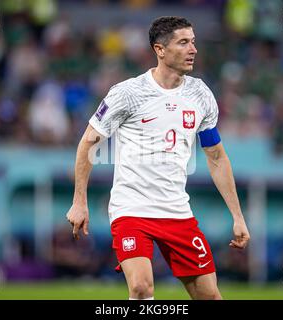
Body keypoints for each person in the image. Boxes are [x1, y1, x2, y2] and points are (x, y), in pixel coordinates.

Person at [66, 16, 250, 300]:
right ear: (160, 50)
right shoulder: (128, 93)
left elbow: (216, 157)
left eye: (194, 42)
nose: (193, 49)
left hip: (177, 211)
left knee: (210, 296)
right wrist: (79, 201)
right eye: (183, 42)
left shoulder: (201, 95)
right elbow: (88, 141)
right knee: (141, 288)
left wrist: (237, 216)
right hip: (132, 209)